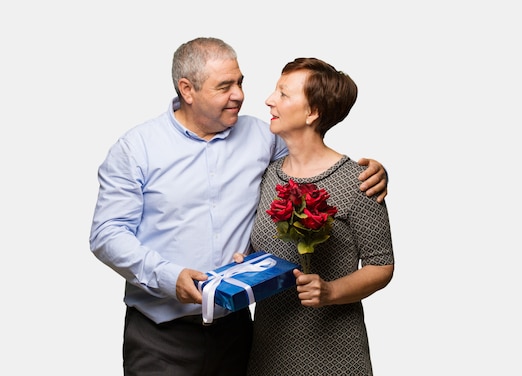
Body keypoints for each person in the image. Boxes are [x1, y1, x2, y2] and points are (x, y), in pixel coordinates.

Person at [89, 37, 388, 376]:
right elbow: (107, 234)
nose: (240, 95)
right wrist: (170, 278)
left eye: (240, 82)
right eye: (224, 86)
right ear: (188, 90)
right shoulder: (136, 149)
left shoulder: (264, 138)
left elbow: (314, 163)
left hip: (239, 333)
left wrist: (373, 172)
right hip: (162, 337)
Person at [244, 57, 394, 375]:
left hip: (335, 355)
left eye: (284, 94)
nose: (270, 99)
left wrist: (331, 292)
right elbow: (265, 251)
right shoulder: (268, 175)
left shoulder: (360, 181)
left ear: (313, 113)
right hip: (269, 351)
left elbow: (382, 266)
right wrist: (244, 263)